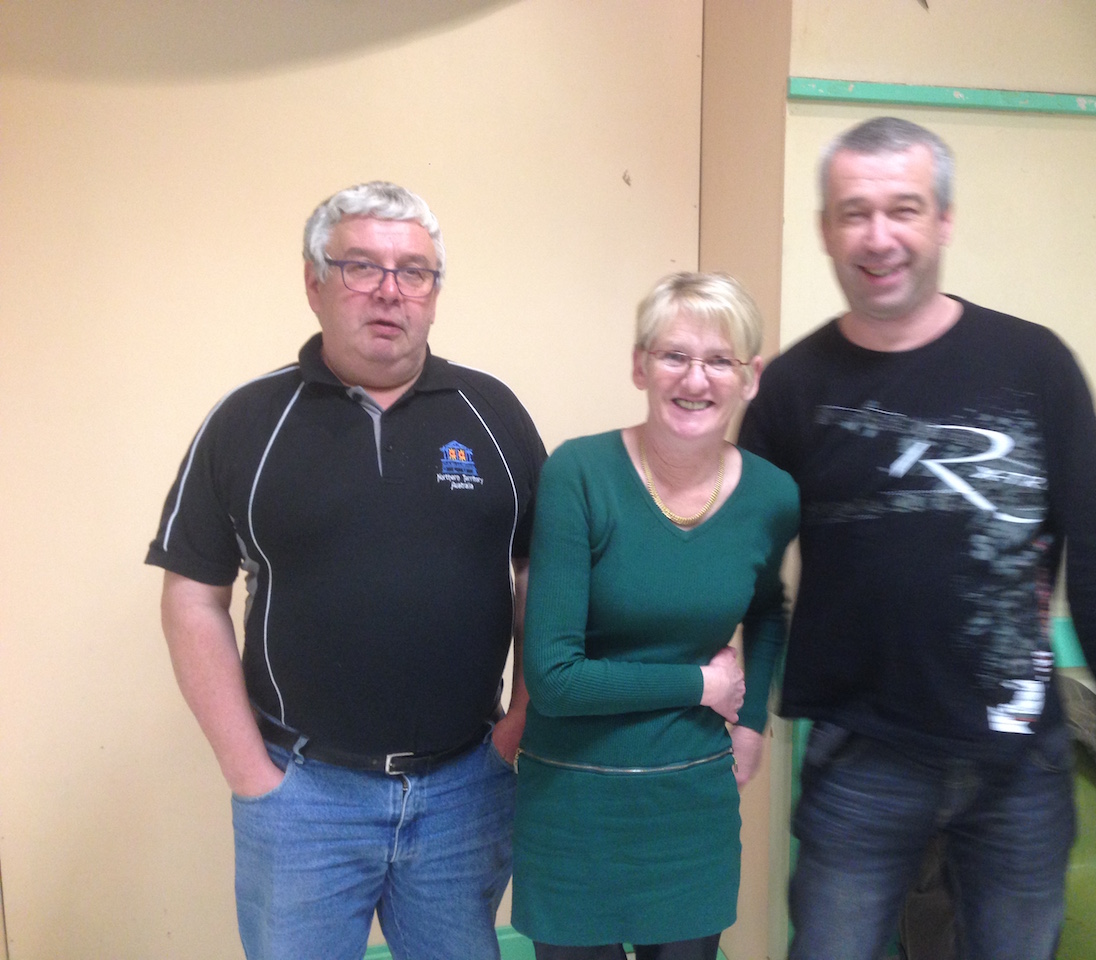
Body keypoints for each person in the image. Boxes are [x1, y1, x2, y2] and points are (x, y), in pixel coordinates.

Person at [737, 117, 1096, 960]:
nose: (879, 236)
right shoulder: (792, 387)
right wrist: (734, 696)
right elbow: (739, 566)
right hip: (860, 759)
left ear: (943, 220)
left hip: (1019, 760)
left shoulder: (1034, 365)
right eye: (855, 212)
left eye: (904, 208)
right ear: (826, 229)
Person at [146, 181, 546, 960]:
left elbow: (541, 577)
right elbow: (193, 597)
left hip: (464, 789)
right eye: (361, 266)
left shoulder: (493, 414)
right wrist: (250, 773)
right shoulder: (248, 422)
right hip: (303, 799)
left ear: (434, 293)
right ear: (314, 282)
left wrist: (515, 733)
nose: (390, 291)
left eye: (414, 271)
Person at [512, 273, 800, 960]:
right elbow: (553, 678)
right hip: (573, 804)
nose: (695, 380)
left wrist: (751, 721)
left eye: (719, 360)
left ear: (750, 378)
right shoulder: (579, 474)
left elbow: (769, 609)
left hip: (691, 808)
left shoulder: (772, 495)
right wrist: (702, 685)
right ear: (640, 365)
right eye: (675, 355)